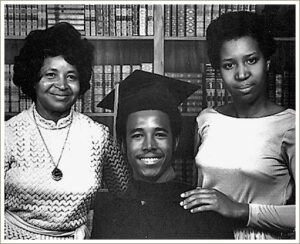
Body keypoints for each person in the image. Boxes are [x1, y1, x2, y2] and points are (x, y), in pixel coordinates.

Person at [4, 22, 130, 240]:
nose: (61, 85)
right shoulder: (6, 135)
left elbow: (125, 192)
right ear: (33, 80)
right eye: (50, 75)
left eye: (71, 76)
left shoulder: (98, 135)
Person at [180, 11, 296, 239]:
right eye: (229, 65)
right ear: (218, 70)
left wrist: (241, 210)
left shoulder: (290, 125)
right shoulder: (206, 120)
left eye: (251, 60)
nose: (242, 74)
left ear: (267, 61)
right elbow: (198, 193)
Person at [91, 70, 234, 239]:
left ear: (175, 141)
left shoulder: (203, 210)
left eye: (159, 134)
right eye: (137, 136)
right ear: (123, 145)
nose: (149, 145)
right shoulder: (107, 214)